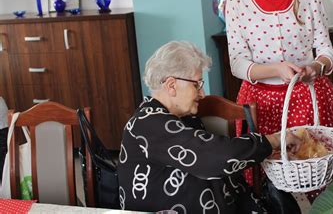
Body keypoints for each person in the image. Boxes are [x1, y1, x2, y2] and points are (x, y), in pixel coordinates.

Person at [225, 0, 333, 191]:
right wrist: (275, 70)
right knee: (269, 179)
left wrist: (316, 66)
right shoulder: (237, 0)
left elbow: (326, 49)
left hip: (308, 96)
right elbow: (237, 62)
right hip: (260, 103)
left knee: (315, 170)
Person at [117, 41, 300, 213]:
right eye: (197, 84)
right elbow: (218, 157)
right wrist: (274, 140)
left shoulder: (180, 117)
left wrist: (265, 150)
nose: (202, 94)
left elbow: (215, 158)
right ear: (171, 85)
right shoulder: (149, 124)